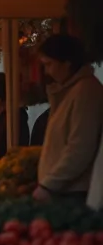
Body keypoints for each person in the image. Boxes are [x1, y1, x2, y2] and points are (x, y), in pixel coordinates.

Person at [33, 35, 103, 204]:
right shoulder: (70, 92)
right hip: (62, 189)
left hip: (73, 192)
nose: (47, 72)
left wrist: (50, 184)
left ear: (67, 63)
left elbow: (80, 147)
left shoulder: (85, 92)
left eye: (49, 64)